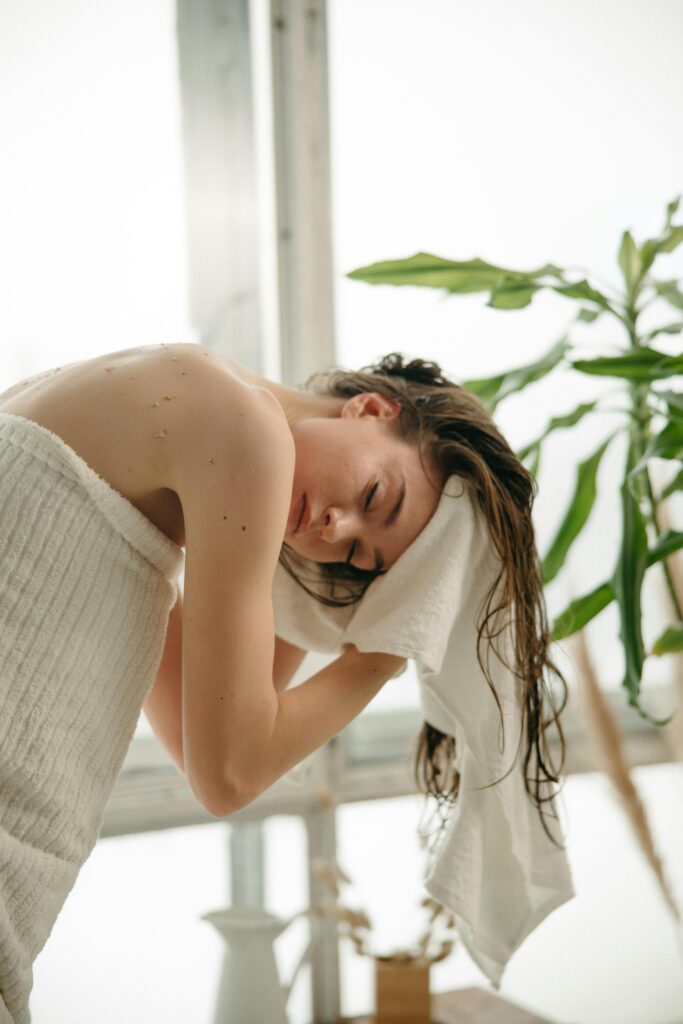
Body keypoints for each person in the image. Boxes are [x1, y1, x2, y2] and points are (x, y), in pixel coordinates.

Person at [0, 341, 567, 1020]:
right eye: (374, 495)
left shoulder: (209, 420)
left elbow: (195, 735)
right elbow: (229, 774)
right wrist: (384, 652)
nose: (335, 529)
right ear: (372, 408)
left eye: (359, 557)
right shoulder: (246, 432)